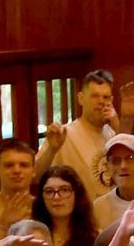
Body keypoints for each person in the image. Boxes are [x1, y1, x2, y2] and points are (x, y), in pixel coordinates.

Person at [33, 69, 118, 201]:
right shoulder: (64, 134)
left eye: (106, 97)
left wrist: (119, 125)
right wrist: (52, 149)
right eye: (95, 96)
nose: (101, 101)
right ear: (81, 99)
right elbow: (35, 176)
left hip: (114, 216)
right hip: (80, 217)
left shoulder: (114, 133)